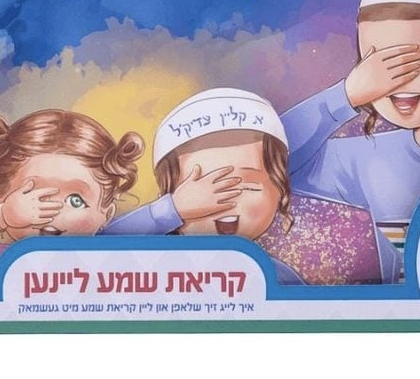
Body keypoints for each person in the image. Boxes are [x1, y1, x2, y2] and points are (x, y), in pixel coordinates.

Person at [281, 0, 420, 279]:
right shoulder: (366, 159)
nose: (393, 80)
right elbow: (269, 162)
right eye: (375, 63)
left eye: (413, 60)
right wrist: (346, 95)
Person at [103, 87, 303, 284]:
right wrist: (172, 210)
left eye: (249, 186)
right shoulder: (152, 267)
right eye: (200, 188)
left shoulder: (276, 276)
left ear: (280, 189)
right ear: (168, 192)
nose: (223, 203)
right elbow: (98, 247)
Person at [0, 109, 144, 286]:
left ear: (107, 214)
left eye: (75, 201)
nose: (53, 209)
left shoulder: (112, 269)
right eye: (32, 195)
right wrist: (3, 215)